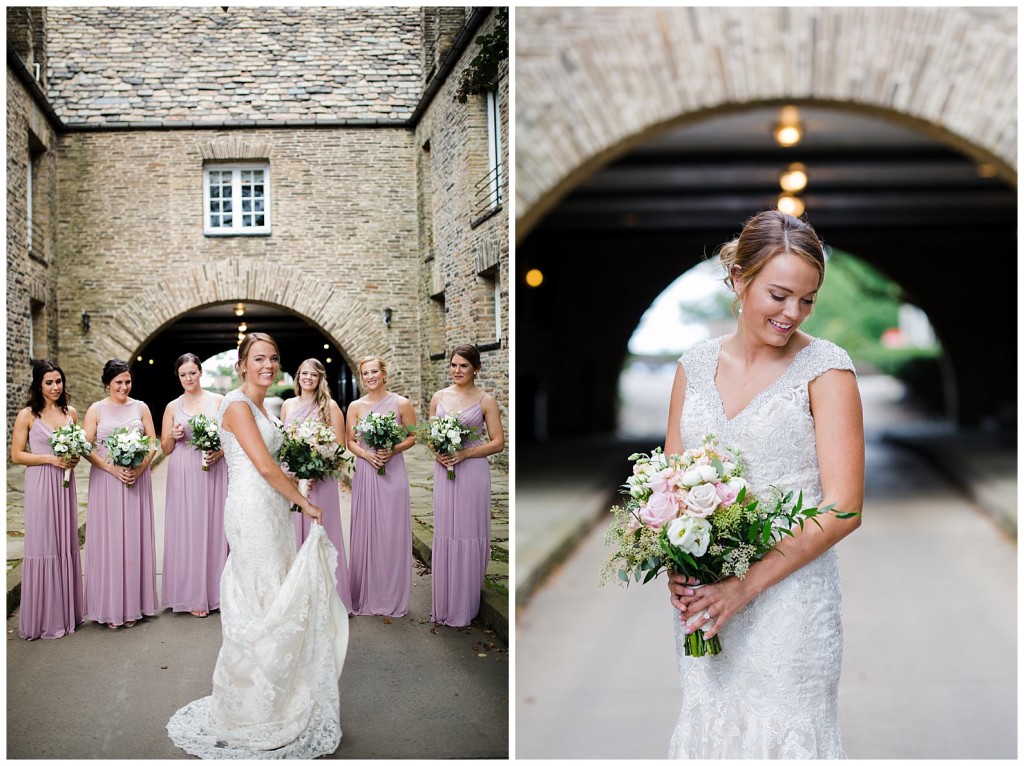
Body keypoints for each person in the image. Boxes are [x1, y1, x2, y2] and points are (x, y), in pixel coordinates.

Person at [663, 210, 864, 758]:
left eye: (807, 299)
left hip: (793, 602)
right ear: (738, 278)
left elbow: (845, 507)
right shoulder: (694, 366)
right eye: (779, 295)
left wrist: (747, 584)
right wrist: (679, 566)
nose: (792, 313)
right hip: (707, 602)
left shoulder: (827, 369)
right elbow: (669, 487)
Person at [167, 332, 348, 760]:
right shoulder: (235, 405)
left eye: (274, 358)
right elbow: (264, 466)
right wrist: (304, 502)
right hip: (251, 511)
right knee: (260, 594)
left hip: (271, 511)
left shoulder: (265, 406)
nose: (268, 365)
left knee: (274, 591)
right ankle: (253, 703)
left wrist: (309, 460)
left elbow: (277, 459)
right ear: (242, 364)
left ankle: (280, 691)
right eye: (259, 358)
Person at [428, 344, 505, 628]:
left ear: (476, 369)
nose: (457, 370)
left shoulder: (486, 400)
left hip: (472, 471)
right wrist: (438, 451)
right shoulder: (439, 397)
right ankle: (446, 599)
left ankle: (465, 601)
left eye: (463, 366)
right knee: (447, 528)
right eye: (453, 365)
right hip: (444, 469)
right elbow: (430, 434)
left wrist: (465, 453)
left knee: (468, 529)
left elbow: (498, 442)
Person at [81, 359, 160, 629]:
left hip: (136, 479)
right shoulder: (96, 409)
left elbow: (152, 443)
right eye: (118, 382)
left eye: (127, 381)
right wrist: (111, 469)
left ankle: (133, 606)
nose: (124, 387)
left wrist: (140, 470)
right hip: (106, 481)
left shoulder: (141, 407)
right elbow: (85, 447)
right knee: (110, 541)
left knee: (132, 541)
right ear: (107, 384)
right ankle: (110, 605)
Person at [11, 360, 85, 640]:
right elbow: (17, 455)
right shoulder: (27, 415)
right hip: (41, 484)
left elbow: (76, 449)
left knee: (63, 541)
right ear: (38, 385)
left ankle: (66, 613)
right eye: (49, 382)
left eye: (58, 381)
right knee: (43, 543)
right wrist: (50, 459)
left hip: (65, 485)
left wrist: (72, 458)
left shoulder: (72, 414)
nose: (55, 387)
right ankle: (43, 617)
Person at [345, 355, 417, 617]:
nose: (370, 377)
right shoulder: (355, 406)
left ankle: (392, 594)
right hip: (366, 470)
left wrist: (393, 449)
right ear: (361, 377)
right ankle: (367, 592)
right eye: (365, 373)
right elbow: (349, 441)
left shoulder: (401, 403)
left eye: (374, 371)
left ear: (384, 373)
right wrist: (365, 455)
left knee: (391, 531)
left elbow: (413, 435)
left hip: (392, 471)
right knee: (368, 529)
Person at [280, 358, 353, 613]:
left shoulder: (329, 406)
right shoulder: (288, 405)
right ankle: (299, 598)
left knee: (321, 533)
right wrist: (291, 472)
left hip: (321, 481)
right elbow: (284, 445)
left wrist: (316, 468)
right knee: (294, 534)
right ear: (298, 376)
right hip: (292, 481)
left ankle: (327, 597)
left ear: (320, 378)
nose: (307, 378)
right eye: (303, 373)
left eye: (313, 374)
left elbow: (339, 447)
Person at [160, 353, 228, 618]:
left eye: (192, 373)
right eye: (183, 374)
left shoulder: (218, 401)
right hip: (184, 471)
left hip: (213, 470)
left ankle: (218, 592)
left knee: (214, 527)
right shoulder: (171, 407)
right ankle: (191, 594)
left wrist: (219, 453)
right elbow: (165, 449)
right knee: (187, 528)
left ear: (201, 372)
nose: (188, 378)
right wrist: (172, 436)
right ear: (178, 377)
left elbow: (231, 439)